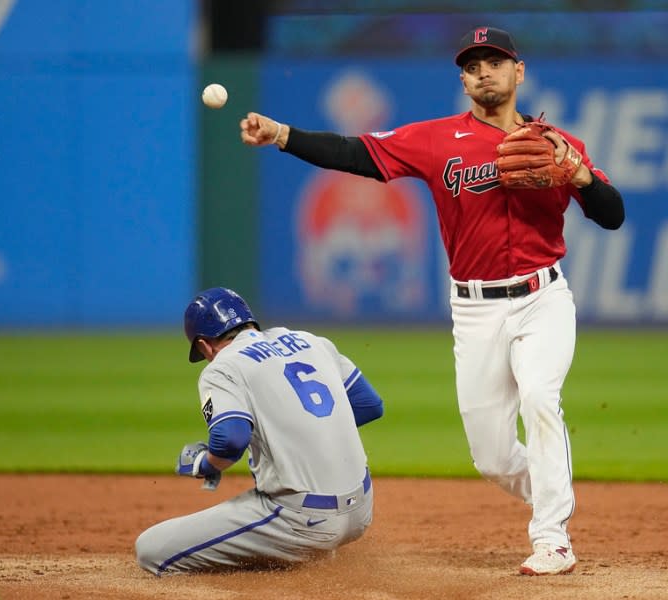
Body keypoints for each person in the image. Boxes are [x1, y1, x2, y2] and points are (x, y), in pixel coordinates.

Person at [239, 26, 625, 575]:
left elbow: (612, 214)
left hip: (544, 297)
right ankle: (551, 489)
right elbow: (356, 153)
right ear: (464, 81)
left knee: (541, 397)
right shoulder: (436, 138)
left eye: (495, 62)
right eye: (472, 66)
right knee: (490, 457)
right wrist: (282, 134)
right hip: (474, 308)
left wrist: (582, 176)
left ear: (519, 72)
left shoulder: (557, 146)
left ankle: (552, 537)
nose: (483, 71)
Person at [135, 287, 383, 574]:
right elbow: (369, 405)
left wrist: (204, 464)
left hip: (302, 521)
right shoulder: (310, 340)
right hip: (362, 511)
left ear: (204, 346)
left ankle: (289, 558)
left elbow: (230, 441)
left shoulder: (222, 367)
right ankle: (305, 548)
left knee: (151, 550)